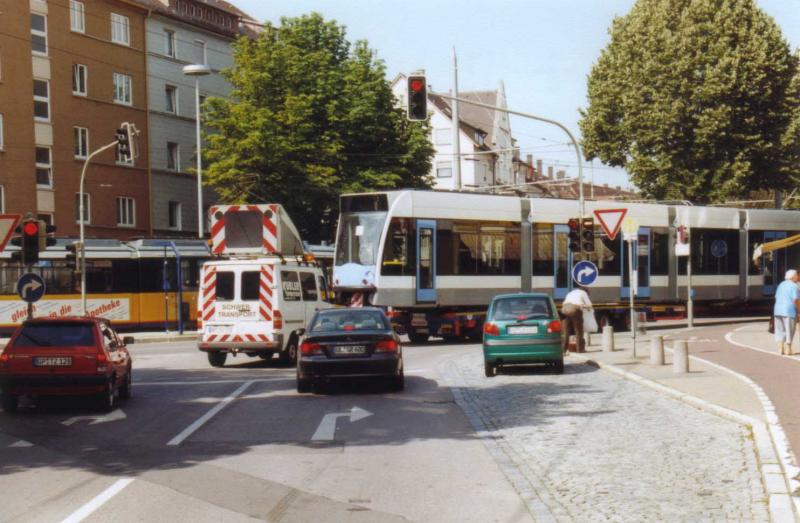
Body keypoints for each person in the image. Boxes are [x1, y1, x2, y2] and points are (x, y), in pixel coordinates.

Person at [774, 269, 800, 355]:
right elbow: (796, 300)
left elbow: (776, 296)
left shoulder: (781, 284)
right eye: (796, 275)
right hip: (789, 311)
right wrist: (799, 310)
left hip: (777, 309)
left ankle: (780, 348)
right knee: (790, 329)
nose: (797, 277)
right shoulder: (794, 286)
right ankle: (788, 348)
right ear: (792, 277)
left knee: (780, 329)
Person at [561, 286, 593, 354]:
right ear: (586, 291)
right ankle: (580, 349)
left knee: (566, 331)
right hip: (574, 309)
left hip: (564, 309)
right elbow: (590, 305)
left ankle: (563, 350)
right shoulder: (583, 293)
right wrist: (586, 307)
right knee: (578, 330)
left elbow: (564, 303)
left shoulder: (571, 292)